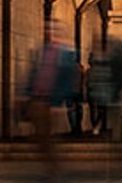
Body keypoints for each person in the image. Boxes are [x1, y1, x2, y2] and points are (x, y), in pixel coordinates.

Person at [23, 22, 78, 181]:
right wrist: (27, 93)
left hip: (50, 100)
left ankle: (54, 169)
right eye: (47, 29)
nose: (49, 32)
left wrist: (58, 102)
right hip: (37, 98)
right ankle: (52, 167)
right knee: (41, 137)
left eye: (52, 29)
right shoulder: (44, 50)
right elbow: (36, 73)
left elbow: (67, 79)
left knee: (46, 137)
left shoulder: (66, 53)